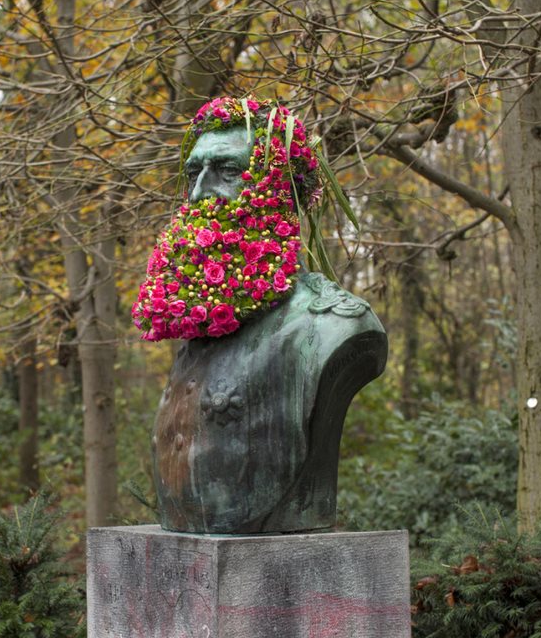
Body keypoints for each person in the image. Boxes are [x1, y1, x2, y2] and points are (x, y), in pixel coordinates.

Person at [132, 97, 387, 534]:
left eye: (228, 172)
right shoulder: (200, 327)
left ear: (282, 191)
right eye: (194, 173)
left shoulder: (332, 325)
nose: (199, 195)